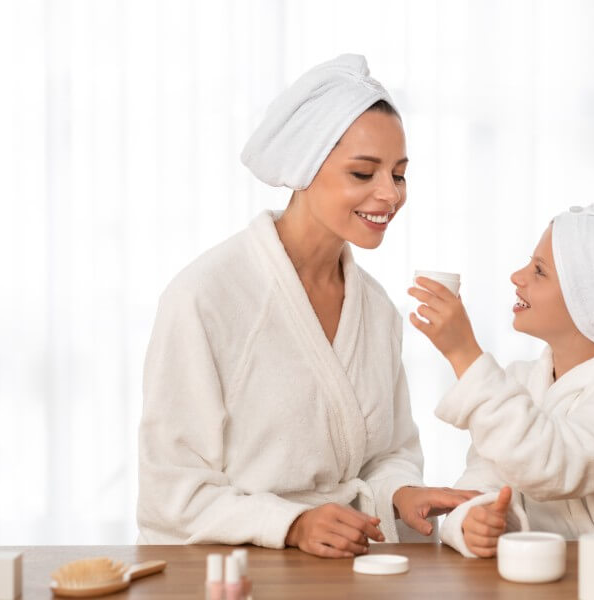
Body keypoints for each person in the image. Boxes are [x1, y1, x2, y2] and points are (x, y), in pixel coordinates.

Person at [138, 54, 476, 558]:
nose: (389, 195)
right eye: (363, 173)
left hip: (347, 567)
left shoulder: (376, 309)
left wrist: (401, 493)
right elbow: (172, 490)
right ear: (303, 167)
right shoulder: (205, 297)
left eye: (399, 175)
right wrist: (292, 523)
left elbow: (389, 453)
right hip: (237, 570)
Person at [407, 203, 594, 557]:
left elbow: (550, 464)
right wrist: (472, 519)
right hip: (552, 575)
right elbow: (483, 478)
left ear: (593, 299)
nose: (518, 276)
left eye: (539, 271)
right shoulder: (522, 380)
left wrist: (463, 353)